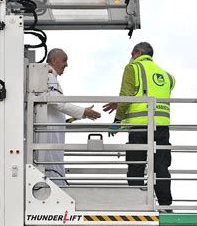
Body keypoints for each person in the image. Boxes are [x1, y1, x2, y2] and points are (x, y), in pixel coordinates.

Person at [103, 42, 175, 207]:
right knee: (161, 167)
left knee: (136, 166)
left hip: (140, 127)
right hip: (162, 127)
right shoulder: (166, 76)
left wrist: (117, 120)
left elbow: (127, 96)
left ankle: (138, 204)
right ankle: (165, 205)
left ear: (137, 52)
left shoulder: (133, 68)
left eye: (132, 53)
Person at [38, 48, 101, 185]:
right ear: (53, 60)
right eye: (64, 60)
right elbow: (56, 102)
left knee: (54, 167)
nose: (66, 64)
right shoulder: (49, 76)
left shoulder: (48, 76)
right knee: (52, 169)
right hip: (49, 136)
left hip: (51, 133)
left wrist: (77, 115)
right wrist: (83, 111)